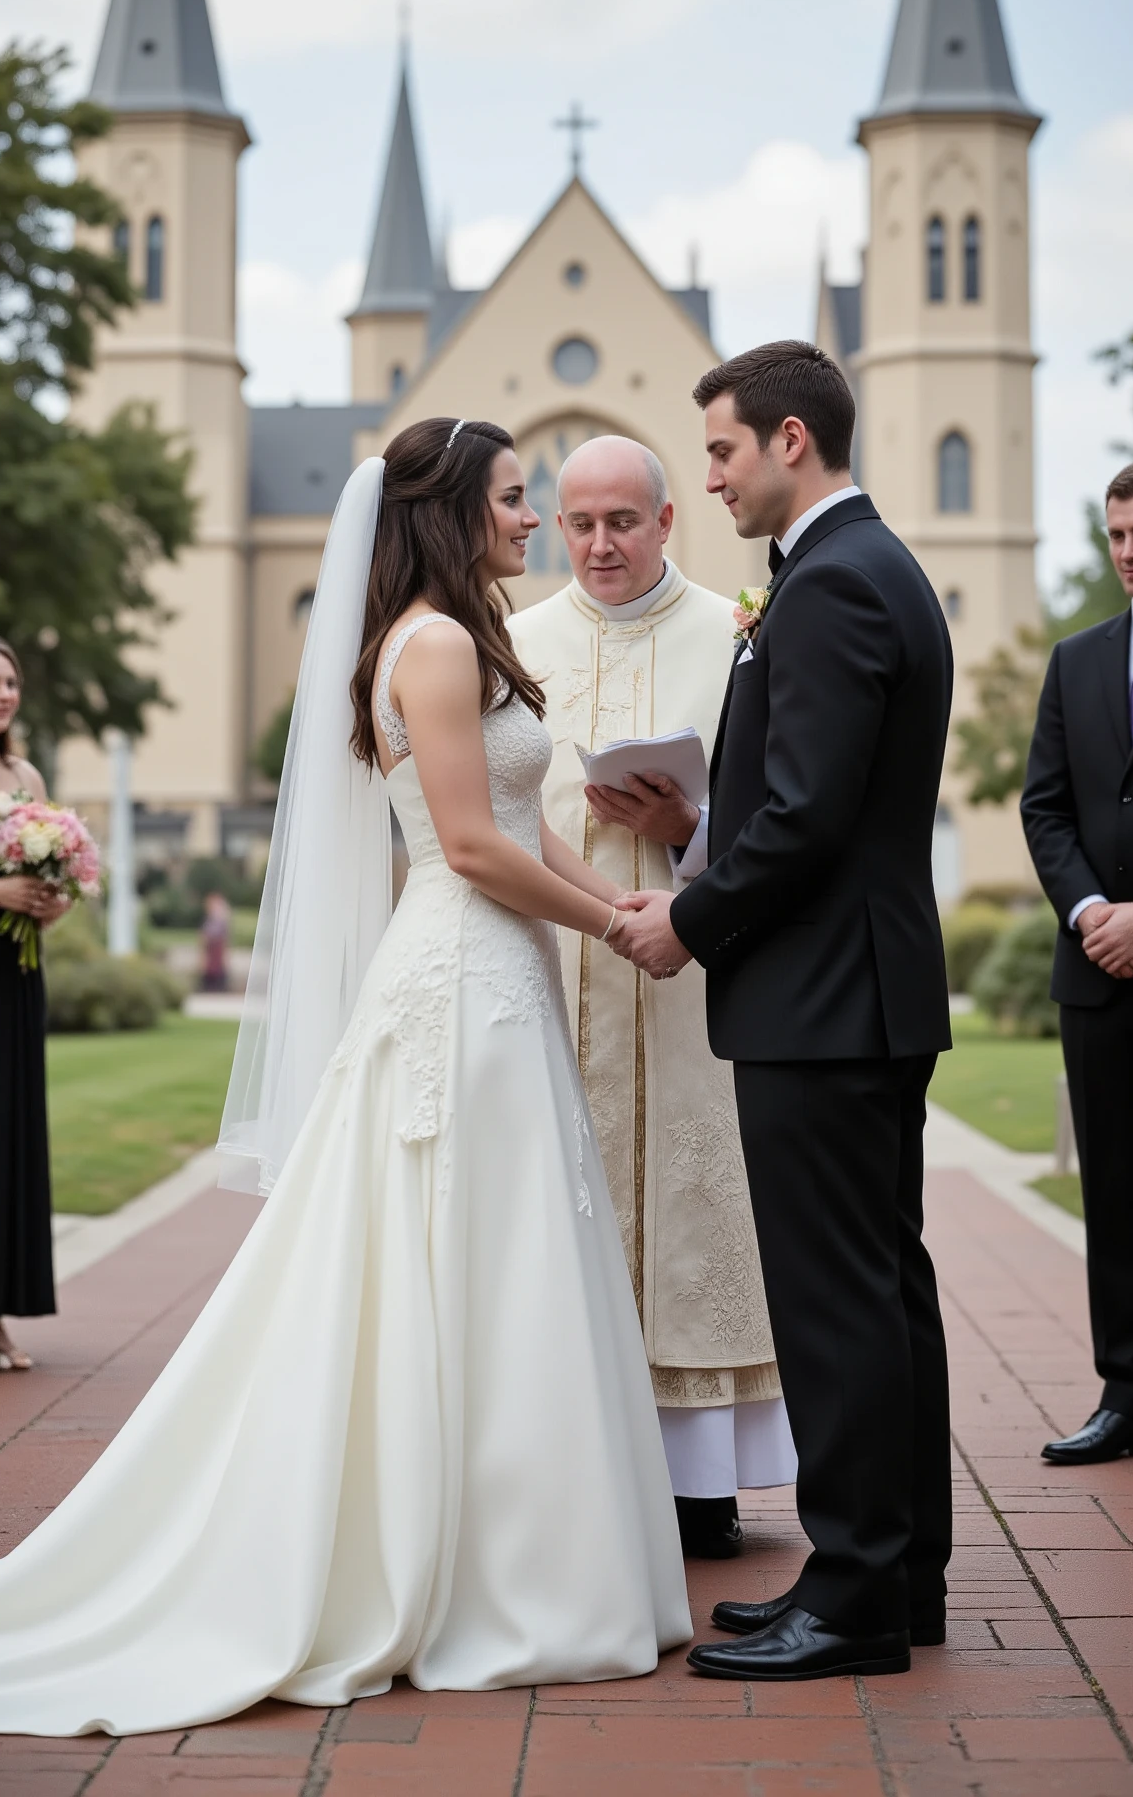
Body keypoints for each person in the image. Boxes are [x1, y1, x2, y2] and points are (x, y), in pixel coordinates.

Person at [0, 418, 690, 1737]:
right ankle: (473, 1570)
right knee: (463, 1250)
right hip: (460, 981)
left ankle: (508, 1548)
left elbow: (526, 827)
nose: (533, 520)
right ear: (454, 509)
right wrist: (611, 926)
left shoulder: (459, 636)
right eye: (515, 498)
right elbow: (468, 846)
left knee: (499, 1252)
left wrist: (643, 907)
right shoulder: (434, 644)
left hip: (498, 974)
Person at [615, 341, 954, 1682]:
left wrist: (687, 918)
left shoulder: (832, 584)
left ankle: (856, 1592)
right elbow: (820, 801)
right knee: (883, 1288)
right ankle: (895, 1574)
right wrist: (699, 827)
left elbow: (808, 817)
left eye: (721, 450)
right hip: (857, 990)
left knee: (834, 1303)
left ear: (790, 439)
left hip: (822, 1001)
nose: (710, 478)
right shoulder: (861, 569)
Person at [510, 436, 793, 1561]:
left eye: (621, 521)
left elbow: (778, 818)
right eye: (579, 523)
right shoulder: (517, 641)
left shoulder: (734, 634)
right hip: (558, 971)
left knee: (697, 1212)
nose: (599, 545)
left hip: (694, 982)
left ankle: (696, 1486)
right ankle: (565, 1471)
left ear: (666, 521)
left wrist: (688, 827)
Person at [1021, 460, 1133, 1466]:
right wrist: (1092, 910)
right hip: (1095, 974)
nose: (1130, 551)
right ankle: (1127, 1394)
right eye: (1117, 534)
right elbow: (1045, 806)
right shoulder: (1075, 661)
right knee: (1113, 1190)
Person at [0, 637, 59, 1374]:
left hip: (12, 974)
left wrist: (52, 900)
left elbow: (55, 867)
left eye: (11, 682)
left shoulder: (24, 775)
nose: (4, 694)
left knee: (4, 1131)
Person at [199, 891, 231, 993]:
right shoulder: (211, 920)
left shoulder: (220, 919)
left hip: (216, 949)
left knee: (217, 970)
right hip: (211, 950)